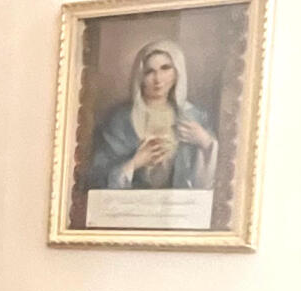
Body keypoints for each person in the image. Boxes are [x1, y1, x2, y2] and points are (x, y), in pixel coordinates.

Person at [84, 40, 218, 197]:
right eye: (149, 71)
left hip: (177, 207)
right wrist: (134, 163)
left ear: (177, 72)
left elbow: (205, 186)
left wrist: (206, 143)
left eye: (165, 68)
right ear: (140, 76)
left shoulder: (192, 116)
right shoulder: (119, 119)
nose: (158, 79)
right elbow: (96, 178)